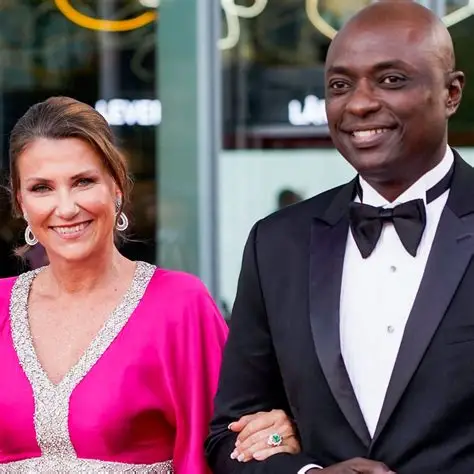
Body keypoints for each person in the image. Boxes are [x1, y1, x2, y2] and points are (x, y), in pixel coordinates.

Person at [206, 1, 474, 473]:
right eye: (339, 85)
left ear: (451, 93)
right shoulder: (278, 244)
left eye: (391, 80)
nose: (359, 103)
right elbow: (229, 434)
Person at [0, 96, 297, 472]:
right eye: (42, 188)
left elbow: (230, 443)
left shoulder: (179, 305)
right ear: (21, 202)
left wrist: (279, 433)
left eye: (83, 182)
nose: (67, 207)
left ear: (117, 187)